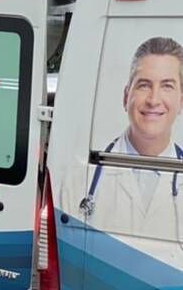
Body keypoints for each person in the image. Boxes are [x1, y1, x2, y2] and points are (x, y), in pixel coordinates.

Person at [69, 36, 183, 241]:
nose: (153, 100)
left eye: (167, 86)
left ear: (181, 101)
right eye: (144, 85)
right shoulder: (79, 181)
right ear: (125, 96)